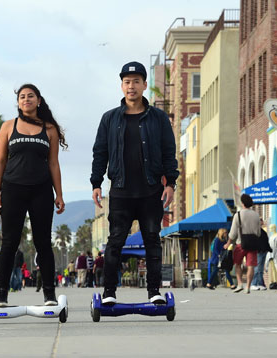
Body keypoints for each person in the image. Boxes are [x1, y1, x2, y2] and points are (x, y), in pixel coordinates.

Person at [90, 61, 179, 305]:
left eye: (136, 82)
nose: (132, 86)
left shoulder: (158, 118)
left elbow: (169, 152)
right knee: (115, 241)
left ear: (144, 85)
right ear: (122, 86)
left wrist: (170, 182)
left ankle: (154, 292)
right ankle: (109, 292)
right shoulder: (109, 119)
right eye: (127, 82)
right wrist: (96, 183)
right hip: (120, 191)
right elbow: (100, 153)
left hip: (151, 190)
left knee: (152, 240)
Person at [0, 83, 67, 307]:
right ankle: (2, 294)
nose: (26, 99)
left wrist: (59, 194)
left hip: (41, 190)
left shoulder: (50, 129)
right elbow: (1, 161)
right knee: (9, 243)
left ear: (38, 101)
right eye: (22, 97)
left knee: (43, 242)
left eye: (31, 96)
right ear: (18, 102)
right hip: (13, 189)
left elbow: (53, 163)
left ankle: (49, 294)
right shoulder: (8, 127)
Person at [225, 193, 261, 294]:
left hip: (241, 243)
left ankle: (240, 284)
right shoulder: (256, 215)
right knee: (251, 266)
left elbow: (233, 233)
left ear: (242, 203)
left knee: (237, 264)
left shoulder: (238, 215)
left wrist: (228, 243)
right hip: (253, 244)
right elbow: (258, 232)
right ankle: (248, 286)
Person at [251, 219, 272, 290]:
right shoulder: (255, 232)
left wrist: (268, 249)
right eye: (260, 220)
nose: (262, 222)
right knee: (257, 268)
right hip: (258, 252)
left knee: (260, 269)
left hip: (263, 251)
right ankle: (253, 283)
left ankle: (260, 283)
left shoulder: (262, 231)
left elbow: (265, 242)